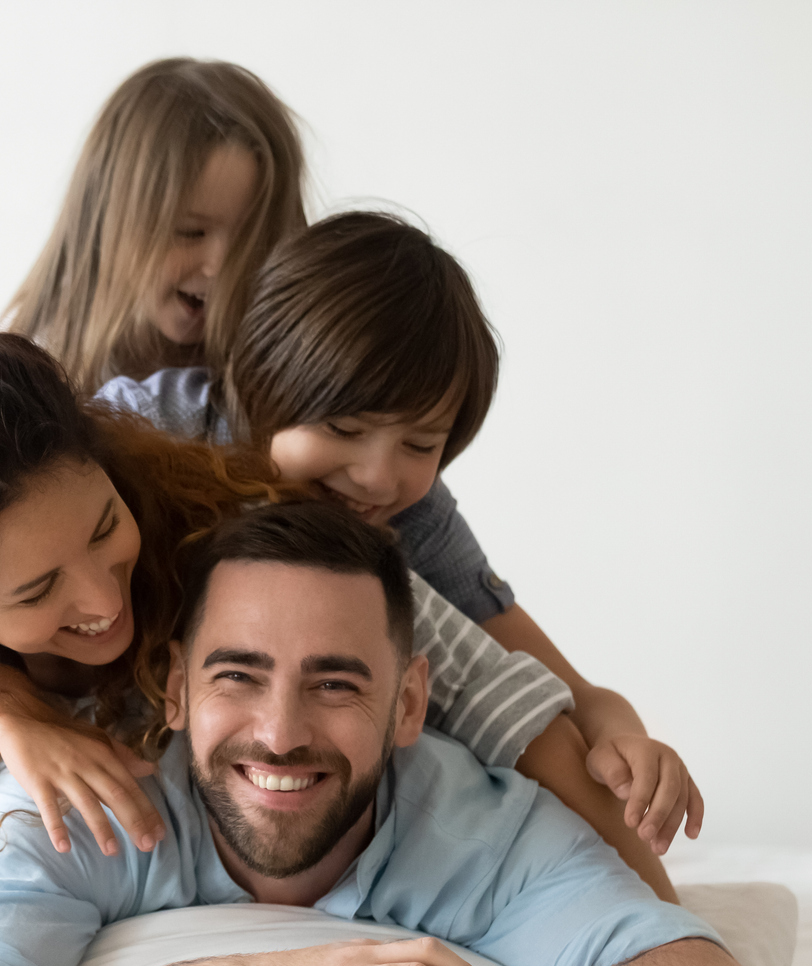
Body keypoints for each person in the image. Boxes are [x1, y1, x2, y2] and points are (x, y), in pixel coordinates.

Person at [0, 326, 574, 966]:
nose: (102, 600)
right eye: (40, 588)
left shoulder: (216, 546)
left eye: (102, 527)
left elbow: (472, 685)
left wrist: (644, 877)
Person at [0, 500, 789, 966]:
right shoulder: (74, 804)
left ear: (409, 706)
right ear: (173, 689)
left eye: (335, 684)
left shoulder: (483, 830)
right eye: (236, 676)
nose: (280, 733)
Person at [98, 212, 702, 893]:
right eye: (344, 429)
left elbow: (549, 684)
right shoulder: (148, 431)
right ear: (258, 381)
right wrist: (16, 720)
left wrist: (620, 731)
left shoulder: (407, 513)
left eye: (420, 445)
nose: (378, 477)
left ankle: (647, 919)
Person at [4, 58, 307, 391]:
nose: (219, 265)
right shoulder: (36, 370)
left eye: (253, 239)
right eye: (190, 232)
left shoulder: (286, 372)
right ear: (109, 222)